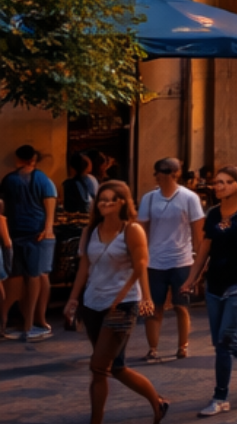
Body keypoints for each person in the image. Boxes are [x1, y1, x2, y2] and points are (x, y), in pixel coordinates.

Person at [65, 179, 166, 424]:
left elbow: (142, 264)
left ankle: (95, 421)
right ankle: (158, 403)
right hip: (92, 303)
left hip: (121, 306)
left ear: (123, 202)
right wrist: (73, 299)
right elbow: (84, 267)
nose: (105, 203)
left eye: (111, 199)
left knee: (99, 367)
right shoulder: (90, 231)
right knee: (116, 367)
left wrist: (145, 297)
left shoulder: (131, 230)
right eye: (101, 199)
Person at [185, 166, 237, 416]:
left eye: (225, 182)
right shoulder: (213, 214)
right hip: (215, 284)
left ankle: (220, 397)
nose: (218, 186)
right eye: (216, 182)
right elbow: (205, 249)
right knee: (224, 341)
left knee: (225, 339)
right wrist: (192, 278)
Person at [138, 157, 205, 360]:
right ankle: (153, 348)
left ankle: (182, 346)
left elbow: (198, 232)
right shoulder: (149, 198)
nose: (157, 176)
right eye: (157, 172)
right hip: (155, 260)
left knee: (181, 305)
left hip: (181, 260)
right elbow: (141, 229)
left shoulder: (189, 198)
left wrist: (199, 263)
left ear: (173, 174)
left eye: (161, 172)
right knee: (153, 307)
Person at [2, 143, 58, 341]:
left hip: (15, 232)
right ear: (33, 159)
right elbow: (50, 200)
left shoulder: (9, 180)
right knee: (37, 275)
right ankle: (34, 322)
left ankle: (13, 320)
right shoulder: (42, 179)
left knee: (17, 277)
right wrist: (49, 228)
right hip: (37, 233)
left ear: (19, 159)